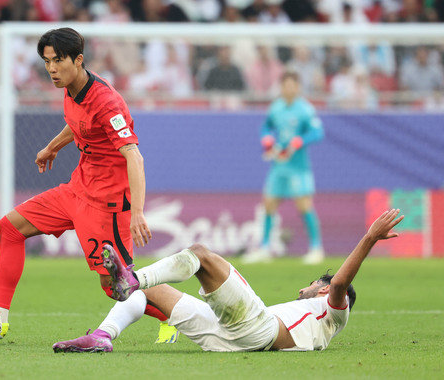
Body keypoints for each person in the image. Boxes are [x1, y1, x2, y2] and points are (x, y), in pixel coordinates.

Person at [0, 27, 178, 343]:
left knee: (116, 285)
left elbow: (135, 157)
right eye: (47, 61)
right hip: (77, 189)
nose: (51, 69)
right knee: (10, 227)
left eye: (58, 61)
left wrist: (138, 213)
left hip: (108, 205)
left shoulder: (107, 102)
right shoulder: (69, 88)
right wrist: (53, 146)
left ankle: (174, 316)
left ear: (78, 60)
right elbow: (78, 123)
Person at [53, 209, 403, 353]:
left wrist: (370, 237)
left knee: (202, 254)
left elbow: (341, 284)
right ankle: (101, 337)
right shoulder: (312, 314)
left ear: (323, 290)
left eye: (313, 284)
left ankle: (130, 278)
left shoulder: (334, 311)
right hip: (230, 339)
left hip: (259, 330)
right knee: (152, 293)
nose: (304, 289)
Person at [243, 71, 325, 264]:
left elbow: (318, 132)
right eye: (285, 85)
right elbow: (265, 127)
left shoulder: (305, 109)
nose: (288, 89)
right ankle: (264, 248)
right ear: (281, 87)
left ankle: (316, 248)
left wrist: (300, 141)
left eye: (292, 85)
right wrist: (267, 139)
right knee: (269, 204)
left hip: (299, 167)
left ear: (297, 87)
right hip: (279, 165)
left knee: (304, 205)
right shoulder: (276, 108)